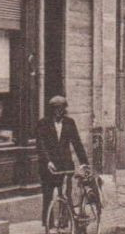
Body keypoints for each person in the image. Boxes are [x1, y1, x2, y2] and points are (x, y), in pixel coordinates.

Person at [36, 95, 89, 225]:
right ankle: (49, 224)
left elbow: (77, 143)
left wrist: (84, 163)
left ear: (64, 109)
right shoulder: (43, 123)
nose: (58, 112)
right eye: (56, 109)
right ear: (51, 110)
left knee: (66, 193)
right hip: (49, 165)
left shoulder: (69, 122)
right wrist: (48, 161)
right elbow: (40, 144)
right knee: (48, 195)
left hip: (65, 164)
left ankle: (64, 221)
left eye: (61, 109)